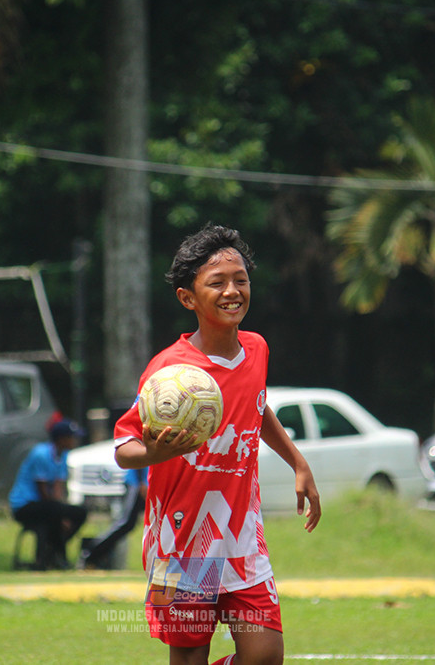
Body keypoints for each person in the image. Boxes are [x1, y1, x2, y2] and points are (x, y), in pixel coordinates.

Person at [114, 224, 321, 665]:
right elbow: (123, 449)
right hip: (183, 544)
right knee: (189, 658)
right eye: (217, 283)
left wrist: (298, 463)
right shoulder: (170, 372)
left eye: (240, 280)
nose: (233, 291)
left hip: (242, 540)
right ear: (188, 298)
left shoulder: (257, 349)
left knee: (266, 655)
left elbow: (256, 405)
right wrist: (155, 453)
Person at [9, 418, 88, 570]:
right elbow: (43, 490)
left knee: (79, 512)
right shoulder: (41, 454)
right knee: (53, 512)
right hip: (25, 505)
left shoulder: (62, 456)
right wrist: (61, 515)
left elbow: (58, 487)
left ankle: (52, 554)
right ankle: (57, 558)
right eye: (72, 437)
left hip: (47, 506)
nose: (75, 441)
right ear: (62, 439)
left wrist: (63, 512)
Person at [78, 466, 147, 570]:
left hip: (145, 481)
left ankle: (92, 553)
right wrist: (141, 482)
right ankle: (90, 551)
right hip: (137, 483)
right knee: (126, 523)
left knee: (129, 524)